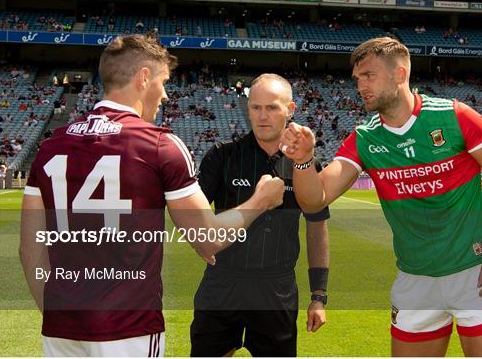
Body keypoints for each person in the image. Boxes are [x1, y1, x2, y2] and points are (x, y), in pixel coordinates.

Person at [20, 34, 285, 357]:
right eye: (163, 82)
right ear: (144, 78)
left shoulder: (50, 147)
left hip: (61, 332)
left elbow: (30, 248)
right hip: (129, 328)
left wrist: (54, 313)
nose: (165, 96)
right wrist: (261, 200)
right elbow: (208, 239)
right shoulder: (158, 145)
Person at [280, 37, 482, 356]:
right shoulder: (365, 138)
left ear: (399, 74)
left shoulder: (454, 117)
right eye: (357, 79)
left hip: (475, 274)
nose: (360, 86)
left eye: (369, 76)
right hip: (415, 281)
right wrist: (303, 159)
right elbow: (316, 198)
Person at [190, 73, 330, 357]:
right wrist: (199, 241)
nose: (262, 116)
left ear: (290, 110)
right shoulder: (222, 156)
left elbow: (317, 227)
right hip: (221, 282)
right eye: (256, 107)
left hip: (275, 288)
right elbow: (193, 218)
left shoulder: (304, 166)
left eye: (272, 107)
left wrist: (319, 295)